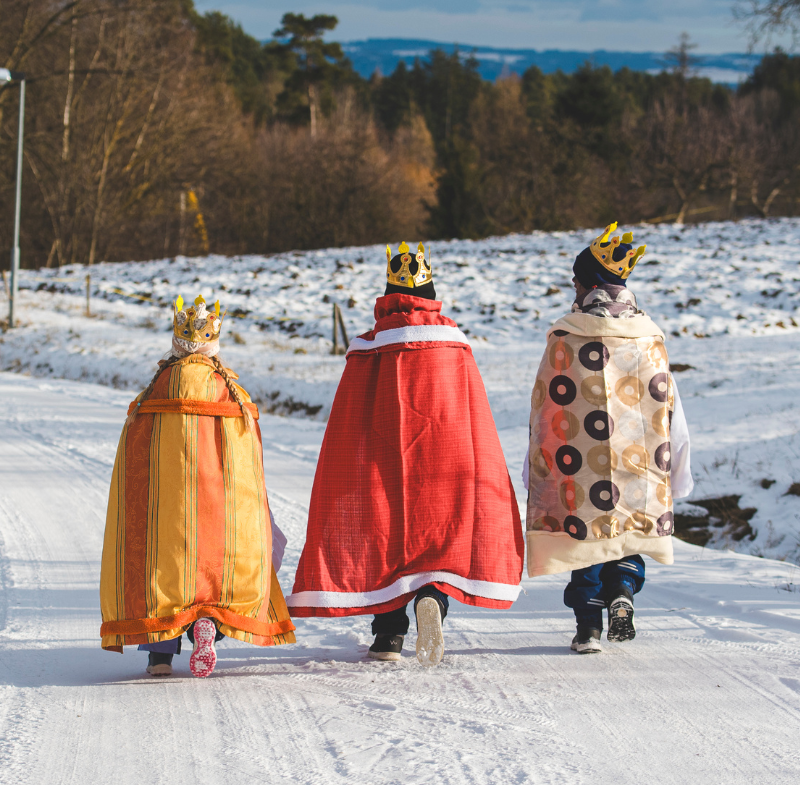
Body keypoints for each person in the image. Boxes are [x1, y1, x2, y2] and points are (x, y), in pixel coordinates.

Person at [288, 243, 524, 666]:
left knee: (385, 540)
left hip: (383, 459)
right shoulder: (454, 344)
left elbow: (349, 419)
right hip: (449, 459)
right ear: (432, 293)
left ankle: (389, 636)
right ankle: (431, 598)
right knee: (438, 541)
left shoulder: (369, 347)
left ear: (388, 294)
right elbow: (476, 413)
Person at [100, 295, 296, 677]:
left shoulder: (156, 388)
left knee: (158, 567)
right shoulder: (229, 390)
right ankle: (207, 624)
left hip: (166, 506)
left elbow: (134, 453)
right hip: (217, 504)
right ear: (212, 346)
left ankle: (159, 657)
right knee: (215, 569)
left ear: (176, 345)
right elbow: (248, 457)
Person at [524, 223, 693, 653]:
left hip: (579, 464)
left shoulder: (565, 336)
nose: (572, 289)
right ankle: (622, 591)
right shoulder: (650, 336)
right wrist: (678, 467)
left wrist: (536, 469)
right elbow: (669, 404)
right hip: (640, 460)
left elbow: (545, 410)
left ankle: (589, 629)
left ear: (589, 285)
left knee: (584, 540)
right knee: (628, 531)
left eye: (576, 282)